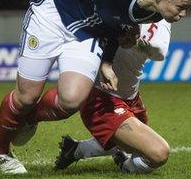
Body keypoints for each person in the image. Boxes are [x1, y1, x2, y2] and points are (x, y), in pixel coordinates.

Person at [0, 0, 191, 174]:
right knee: (26, 97)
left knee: (72, 100)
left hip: (87, 32)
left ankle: (29, 119)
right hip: (53, 14)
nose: (184, 14)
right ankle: (2, 149)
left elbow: (116, 23)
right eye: (181, 7)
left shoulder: (155, 14)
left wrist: (106, 62)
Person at [54, 20, 172, 174]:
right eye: (180, 7)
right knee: (157, 153)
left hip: (131, 97)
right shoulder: (120, 3)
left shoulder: (162, 16)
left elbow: (160, 53)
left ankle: (75, 149)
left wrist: (139, 43)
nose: (182, 14)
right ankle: (124, 165)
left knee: (136, 145)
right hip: (103, 98)